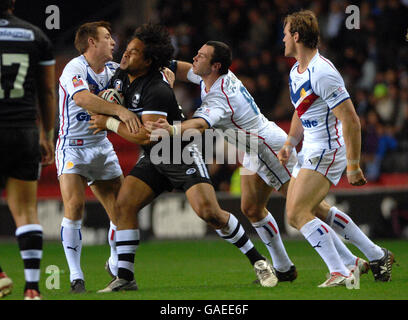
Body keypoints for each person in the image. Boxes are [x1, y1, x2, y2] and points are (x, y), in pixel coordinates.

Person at [150, 40, 393, 286]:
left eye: (200, 56)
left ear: (215, 65)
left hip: (268, 147)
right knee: (252, 207)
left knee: (308, 209)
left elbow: (200, 125)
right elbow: (181, 69)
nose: (194, 58)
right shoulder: (211, 77)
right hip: (251, 148)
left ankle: (366, 256)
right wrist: (155, 62)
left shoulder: (219, 97)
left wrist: (171, 128)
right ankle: (284, 268)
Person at [90, 23, 279, 292]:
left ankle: (259, 261)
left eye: (133, 52)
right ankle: (125, 277)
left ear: (147, 60)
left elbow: (148, 136)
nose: (125, 55)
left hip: (178, 151)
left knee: (209, 213)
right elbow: (118, 98)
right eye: (128, 49)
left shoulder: (156, 89)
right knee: (124, 206)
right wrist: (112, 105)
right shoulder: (123, 74)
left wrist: (108, 122)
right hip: (155, 156)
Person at [277, 10, 394, 286]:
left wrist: (353, 165)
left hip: (328, 150)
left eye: (285, 33)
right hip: (310, 148)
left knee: (296, 214)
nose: (281, 39)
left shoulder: (323, 72)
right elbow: (300, 110)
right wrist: (290, 143)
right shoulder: (297, 70)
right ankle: (374, 256)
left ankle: (341, 271)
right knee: (313, 209)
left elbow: (351, 120)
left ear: (296, 36)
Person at [57, 21, 140, 293]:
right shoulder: (75, 68)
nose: (113, 41)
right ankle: (76, 276)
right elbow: (82, 99)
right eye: (107, 37)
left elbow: (148, 71)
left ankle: (115, 263)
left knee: (120, 210)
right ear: (92, 42)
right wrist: (120, 112)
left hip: (100, 145)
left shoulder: (115, 71)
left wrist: (166, 72)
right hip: (73, 146)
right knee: (75, 206)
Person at [0, 0, 56, 299]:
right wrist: (46, 135)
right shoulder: (36, 35)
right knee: (26, 211)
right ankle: (33, 288)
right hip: (23, 130)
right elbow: (47, 91)